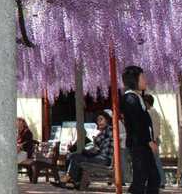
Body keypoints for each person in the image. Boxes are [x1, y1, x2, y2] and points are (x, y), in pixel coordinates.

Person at [121, 65, 160, 194]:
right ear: (134, 80)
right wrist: (149, 141)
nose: (145, 80)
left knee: (152, 178)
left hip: (142, 144)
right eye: (142, 77)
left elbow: (144, 123)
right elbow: (137, 124)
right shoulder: (130, 98)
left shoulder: (136, 97)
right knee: (142, 179)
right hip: (139, 145)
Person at [60, 111, 114, 188]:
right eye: (98, 120)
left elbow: (99, 140)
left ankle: (70, 179)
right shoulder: (103, 132)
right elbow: (97, 147)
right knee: (73, 155)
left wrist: (95, 138)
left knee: (76, 157)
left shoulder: (109, 129)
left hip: (104, 159)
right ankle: (73, 180)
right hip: (99, 157)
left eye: (101, 119)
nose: (99, 122)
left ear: (107, 120)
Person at [143, 93, 167, 188]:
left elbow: (153, 128)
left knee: (154, 161)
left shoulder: (151, 112)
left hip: (152, 140)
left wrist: (151, 140)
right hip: (154, 139)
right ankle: (160, 181)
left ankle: (160, 181)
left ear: (147, 102)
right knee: (154, 161)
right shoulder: (154, 112)